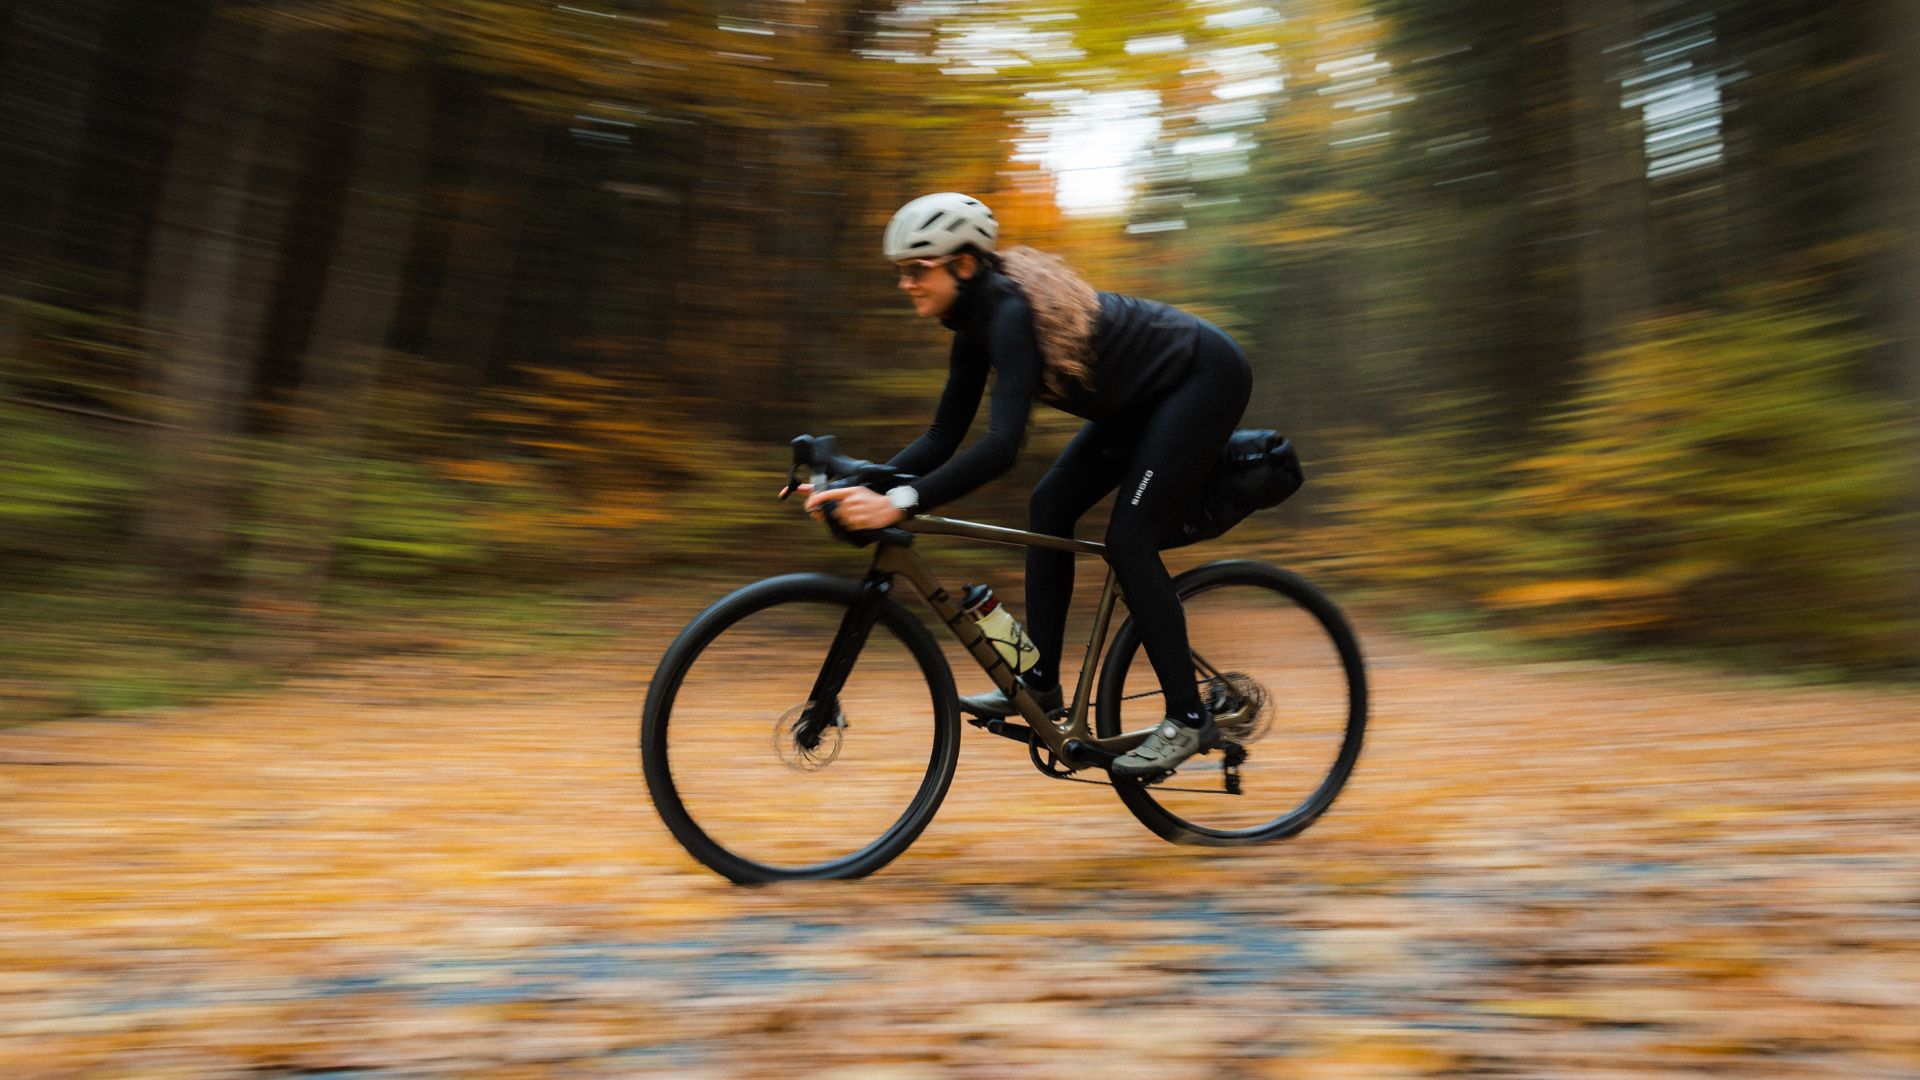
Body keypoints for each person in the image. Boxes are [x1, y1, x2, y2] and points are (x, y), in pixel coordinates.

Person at [804, 192, 1252, 777]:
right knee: (1050, 503)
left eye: (918, 269)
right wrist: (858, 478)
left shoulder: (1009, 312)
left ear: (965, 264)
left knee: (1129, 539)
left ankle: (1189, 718)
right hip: (1140, 403)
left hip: (1202, 376)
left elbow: (1000, 448)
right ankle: (1040, 684)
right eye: (902, 271)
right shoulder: (971, 325)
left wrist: (898, 503)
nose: (905, 283)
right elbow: (942, 437)